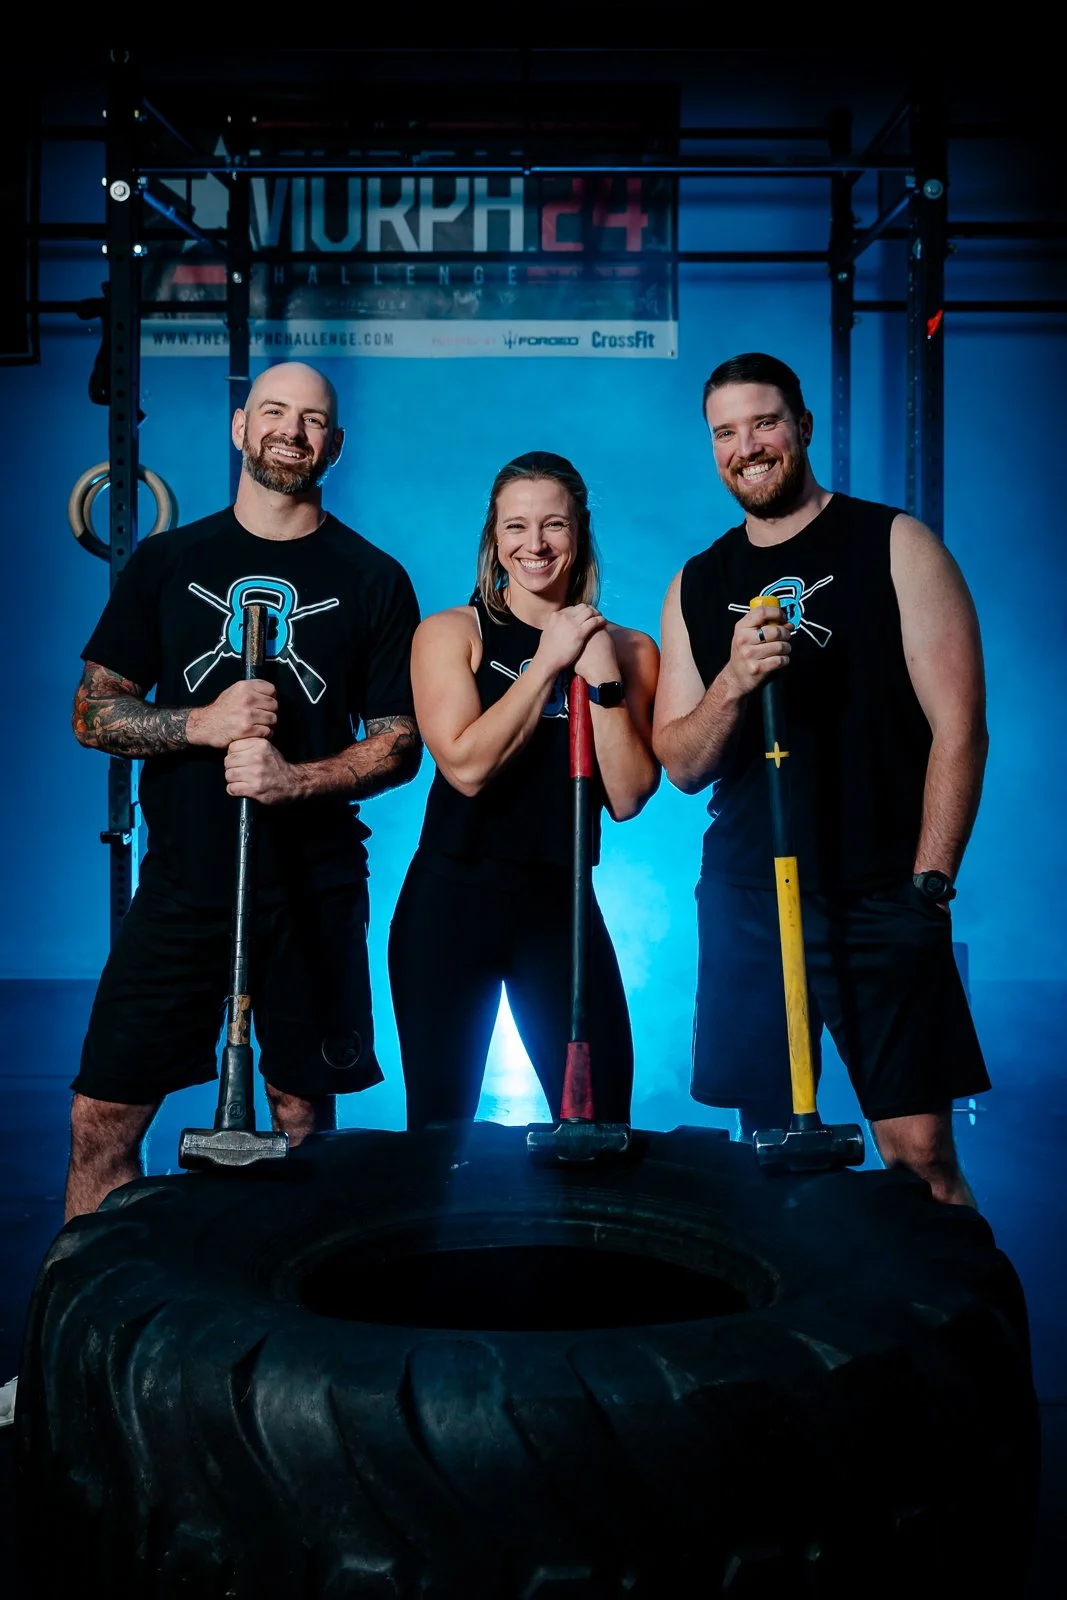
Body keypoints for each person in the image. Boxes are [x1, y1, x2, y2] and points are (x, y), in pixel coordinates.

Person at [651, 351, 990, 1207]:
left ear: (802, 427)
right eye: (724, 432)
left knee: (919, 1156)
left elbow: (960, 727)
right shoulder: (697, 583)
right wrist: (730, 682)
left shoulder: (893, 542)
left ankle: (960, 1337)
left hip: (880, 891)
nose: (746, 446)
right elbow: (681, 765)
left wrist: (928, 885)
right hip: (748, 901)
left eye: (763, 423)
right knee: (767, 1159)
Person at [387, 451, 660, 1130]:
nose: (534, 545)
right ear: (494, 539)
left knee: (599, 1126)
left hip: (560, 906)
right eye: (516, 527)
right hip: (450, 902)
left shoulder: (628, 650)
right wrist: (546, 666)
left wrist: (599, 682)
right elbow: (466, 768)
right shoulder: (452, 633)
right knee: (438, 1130)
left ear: (579, 534)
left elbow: (627, 796)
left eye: (552, 526)